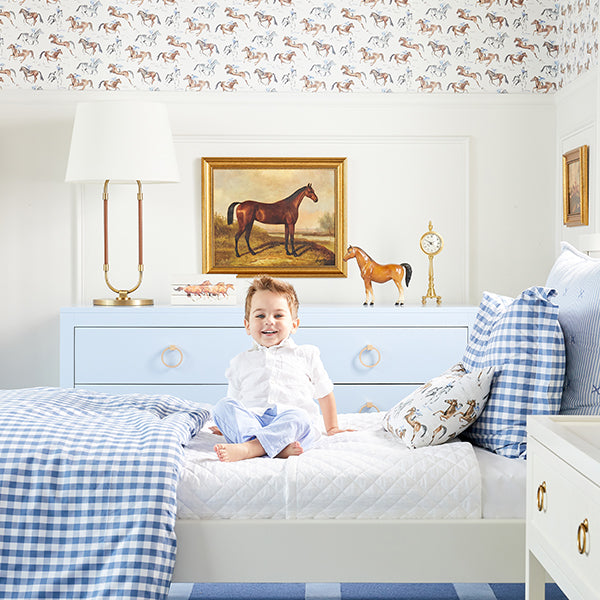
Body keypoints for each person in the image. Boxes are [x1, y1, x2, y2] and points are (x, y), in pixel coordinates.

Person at [212, 275, 352, 462]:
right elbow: (235, 400)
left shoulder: (306, 355)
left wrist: (332, 428)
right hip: (255, 423)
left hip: (291, 426)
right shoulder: (240, 361)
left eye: (278, 315)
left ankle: (250, 448)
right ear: (247, 325)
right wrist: (226, 424)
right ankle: (270, 446)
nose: (269, 321)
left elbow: (325, 393)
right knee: (222, 407)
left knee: (300, 417)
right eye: (260, 315)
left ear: (294, 325)